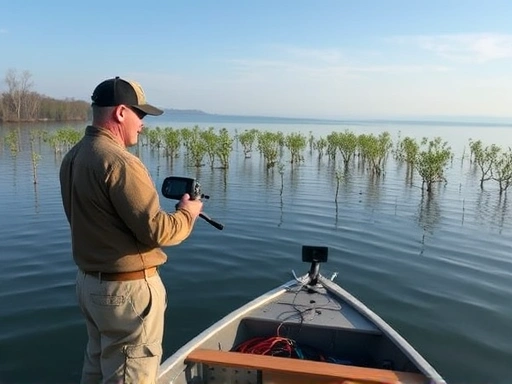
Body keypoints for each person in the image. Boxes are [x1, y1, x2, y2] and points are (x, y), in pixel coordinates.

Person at [59, 76, 203, 384]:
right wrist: (187, 213)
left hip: (89, 287)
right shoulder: (120, 162)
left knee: (96, 370)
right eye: (141, 115)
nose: (143, 124)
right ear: (121, 112)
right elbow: (159, 232)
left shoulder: (74, 156)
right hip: (126, 295)